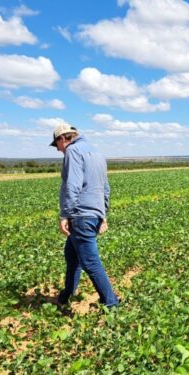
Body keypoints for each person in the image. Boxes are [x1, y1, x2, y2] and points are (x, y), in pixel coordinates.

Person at [51, 122, 119, 310]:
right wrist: (103, 214)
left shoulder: (73, 151)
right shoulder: (97, 153)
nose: (58, 150)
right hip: (93, 213)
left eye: (57, 145)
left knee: (90, 262)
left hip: (80, 214)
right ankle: (66, 296)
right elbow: (105, 188)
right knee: (72, 255)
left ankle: (111, 303)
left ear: (62, 138)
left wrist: (65, 215)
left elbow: (73, 185)